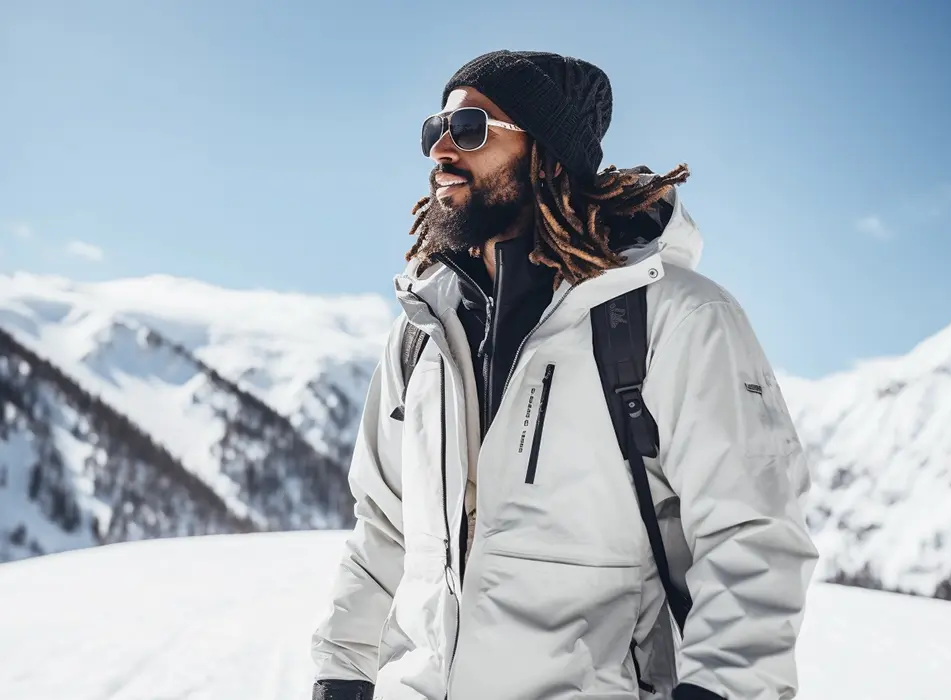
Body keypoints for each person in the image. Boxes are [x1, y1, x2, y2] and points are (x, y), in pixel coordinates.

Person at [311, 50, 818, 700]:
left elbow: (753, 534)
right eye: (434, 128)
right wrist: (341, 668)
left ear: (546, 156)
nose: (440, 147)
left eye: (470, 128)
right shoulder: (420, 332)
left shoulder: (675, 317)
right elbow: (383, 523)